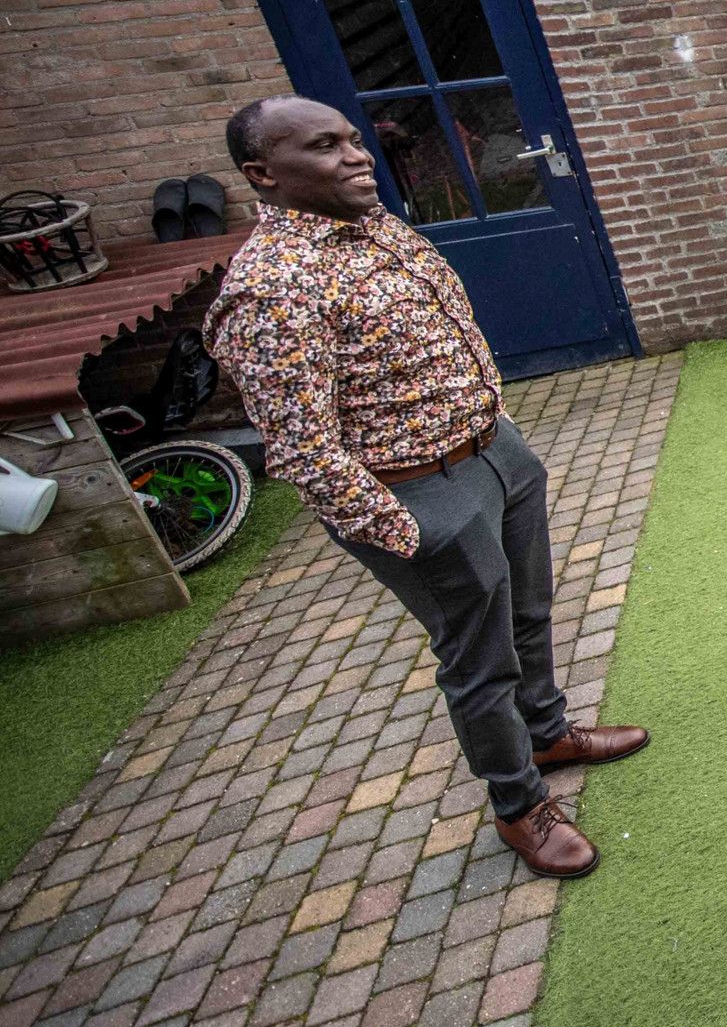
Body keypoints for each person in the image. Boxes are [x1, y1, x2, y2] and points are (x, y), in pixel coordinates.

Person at [206, 96, 648, 880]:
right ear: (263, 174)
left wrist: (497, 426)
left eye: (353, 139)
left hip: (493, 452)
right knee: (480, 661)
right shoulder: (273, 287)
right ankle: (519, 805)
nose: (355, 157)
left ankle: (548, 732)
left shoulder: (372, 224)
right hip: (418, 491)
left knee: (531, 611)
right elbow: (305, 451)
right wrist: (413, 531)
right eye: (325, 147)